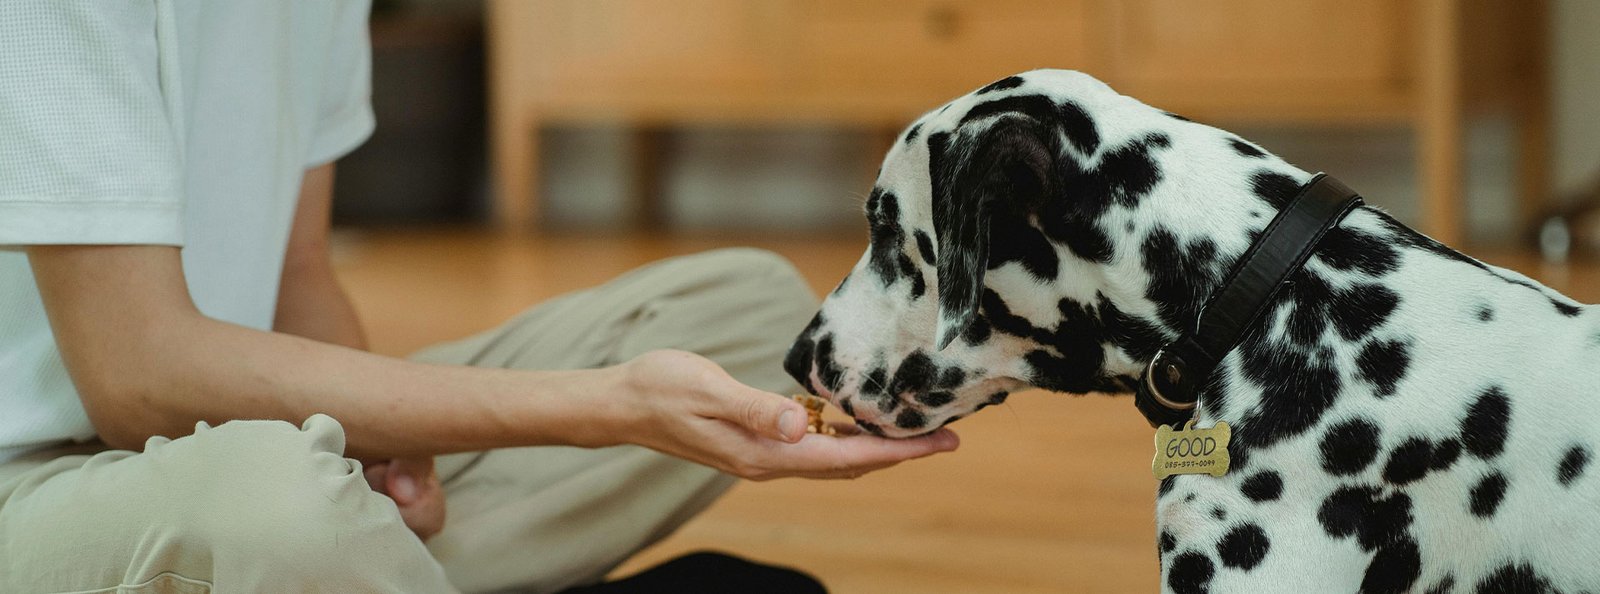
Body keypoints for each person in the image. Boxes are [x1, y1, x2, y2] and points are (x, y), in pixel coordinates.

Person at [0, 2, 959, 592]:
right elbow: (137, 374)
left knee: (745, 315)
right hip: (37, 492)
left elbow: (298, 276)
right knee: (282, 508)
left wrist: (379, 453)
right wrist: (609, 409)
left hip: (211, 439)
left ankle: (360, 571)